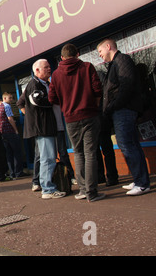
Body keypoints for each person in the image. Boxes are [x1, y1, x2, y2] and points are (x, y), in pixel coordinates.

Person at [49, 43, 105, 202]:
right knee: (90, 153)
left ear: (62, 57)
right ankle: (91, 192)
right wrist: (93, 104)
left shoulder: (56, 75)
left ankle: (82, 190)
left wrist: (67, 105)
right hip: (89, 115)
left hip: (71, 118)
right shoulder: (87, 67)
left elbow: (52, 98)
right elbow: (98, 90)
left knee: (78, 152)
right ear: (78, 54)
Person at [97, 39, 150, 195]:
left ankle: (141, 183)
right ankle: (139, 179)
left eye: (100, 51)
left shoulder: (122, 60)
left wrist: (113, 106)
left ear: (108, 46)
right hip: (120, 110)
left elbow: (126, 87)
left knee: (127, 145)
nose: (100, 55)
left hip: (124, 110)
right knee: (131, 144)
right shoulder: (114, 64)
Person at [17, 59, 66, 199]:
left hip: (48, 127)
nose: (49, 69)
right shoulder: (34, 84)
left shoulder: (46, 84)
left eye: (49, 66)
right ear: (37, 71)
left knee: (48, 157)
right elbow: (36, 101)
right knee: (47, 158)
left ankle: (47, 187)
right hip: (42, 128)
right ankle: (48, 189)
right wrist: (53, 99)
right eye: (46, 67)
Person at [0, 92, 27, 178]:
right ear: (4, 99)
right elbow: (10, 118)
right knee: (17, 152)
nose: (12, 100)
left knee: (9, 154)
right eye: (10, 98)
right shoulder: (6, 106)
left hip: (4, 133)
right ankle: (18, 172)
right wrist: (16, 130)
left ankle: (12, 172)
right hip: (10, 132)